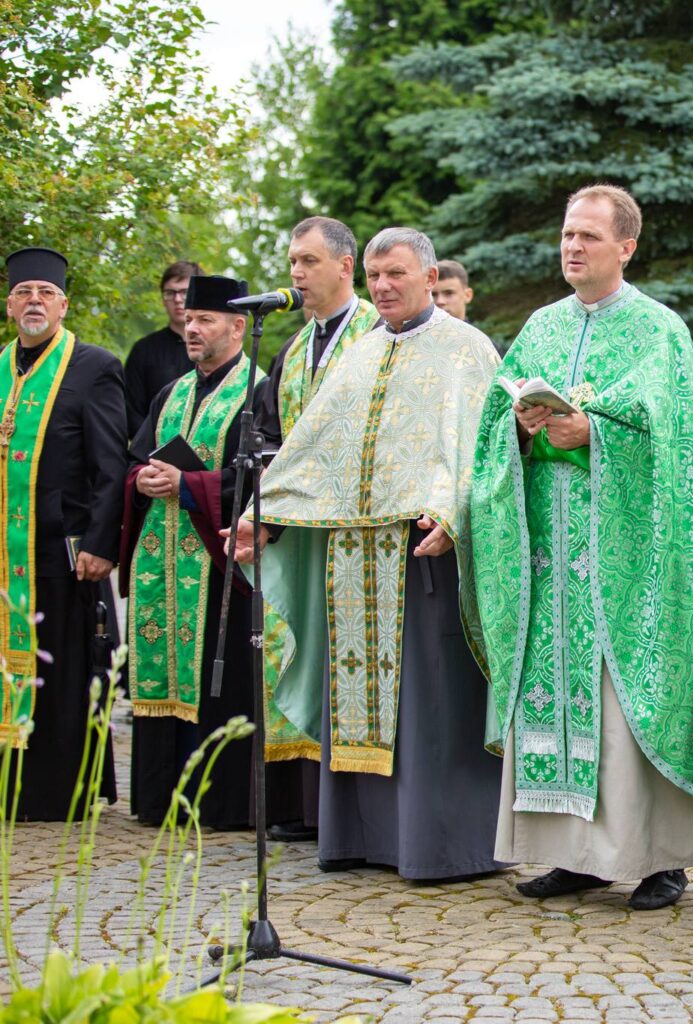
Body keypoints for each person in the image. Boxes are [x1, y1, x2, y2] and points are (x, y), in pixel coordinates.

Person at [467, 184, 693, 911]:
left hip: (627, 562)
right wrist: (522, 428)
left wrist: (596, 433)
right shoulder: (539, 327)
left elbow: (682, 447)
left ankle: (660, 859)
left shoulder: (661, 332)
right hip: (547, 557)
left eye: (589, 237)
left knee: (625, 703)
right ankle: (574, 857)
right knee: (558, 693)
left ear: (626, 246)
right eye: (567, 234)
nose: (572, 247)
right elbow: (496, 414)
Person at [227, 226, 503, 881]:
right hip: (350, 554)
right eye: (376, 277)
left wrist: (453, 509)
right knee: (354, 697)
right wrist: (262, 515)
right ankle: (356, 836)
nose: (383, 287)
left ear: (430, 278)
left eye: (397, 275)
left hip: (422, 553)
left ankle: (439, 845)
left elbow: (478, 450)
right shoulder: (358, 353)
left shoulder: (467, 350)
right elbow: (312, 450)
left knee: (427, 705)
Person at [254, 215, 379, 843]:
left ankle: (352, 814)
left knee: (354, 665)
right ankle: (305, 808)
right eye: (292, 263)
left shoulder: (376, 333)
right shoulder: (294, 346)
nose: (297, 274)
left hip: (361, 531)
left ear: (343, 266)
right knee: (301, 651)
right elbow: (271, 430)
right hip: (304, 531)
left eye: (307, 261)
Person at [122, 275, 263, 829]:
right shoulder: (171, 392)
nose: (191, 328)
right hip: (162, 554)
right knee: (163, 671)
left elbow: (257, 477)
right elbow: (135, 456)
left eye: (205, 320)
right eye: (188, 320)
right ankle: (159, 799)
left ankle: (219, 804)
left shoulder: (257, 391)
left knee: (216, 677)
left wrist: (187, 484)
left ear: (237, 326)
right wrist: (143, 480)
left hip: (219, 560)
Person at [0, 247, 125, 819]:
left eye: (45, 293)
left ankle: (53, 792)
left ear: (63, 303)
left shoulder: (93, 366)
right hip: (6, 556)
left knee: (63, 670)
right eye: (24, 292)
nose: (34, 301)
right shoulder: (1, 366)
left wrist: (102, 543)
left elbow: (110, 463)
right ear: (9, 305)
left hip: (63, 549)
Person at [124, 261, 202, 435]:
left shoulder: (214, 351)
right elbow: (130, 410)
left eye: (185, 292)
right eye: (170, 293)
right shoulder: (143, 350)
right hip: (152, 451)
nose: (177, 299)